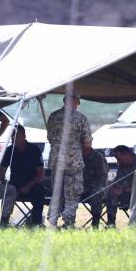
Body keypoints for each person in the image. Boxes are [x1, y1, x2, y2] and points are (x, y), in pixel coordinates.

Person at [46, 93, 92, 227]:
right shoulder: (80, 118)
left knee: (57, 193)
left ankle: (52, 221)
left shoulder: (53, 117)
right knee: (72, 194)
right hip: (73, 163)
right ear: (75, 101)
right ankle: (68, 223)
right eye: (77, 103)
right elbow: (87, 144)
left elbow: (50, 138)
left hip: (56, 162)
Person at [0, 125, 46, 226]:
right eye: (12, 136)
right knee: (7, 191)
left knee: (40, 191)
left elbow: (41, 174)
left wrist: (27, 187)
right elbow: (1, 172)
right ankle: (4, 221)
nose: (13, 139)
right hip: (14, 184)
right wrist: (4, 184)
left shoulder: (34, 150)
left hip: (32, 184)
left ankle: (36, 223)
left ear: (24, 136)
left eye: (16, 136)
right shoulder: (9, 150)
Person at [107, 145, 136, 226]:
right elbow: (118, 181)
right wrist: (117, 188)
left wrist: (131, 188)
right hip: (127, 194)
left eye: (119, 158)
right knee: (112, 193)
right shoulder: (122, 165)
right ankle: (111, 224)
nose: (118, 162)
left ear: (127, 154)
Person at [82, 147, 108, 228]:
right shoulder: (76, 155)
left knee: (96, 193)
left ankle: (95, 223)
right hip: (78, 185)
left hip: (95, 186)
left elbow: (103, 177)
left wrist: (90, 186)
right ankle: (68, 223)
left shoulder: (98, 157)